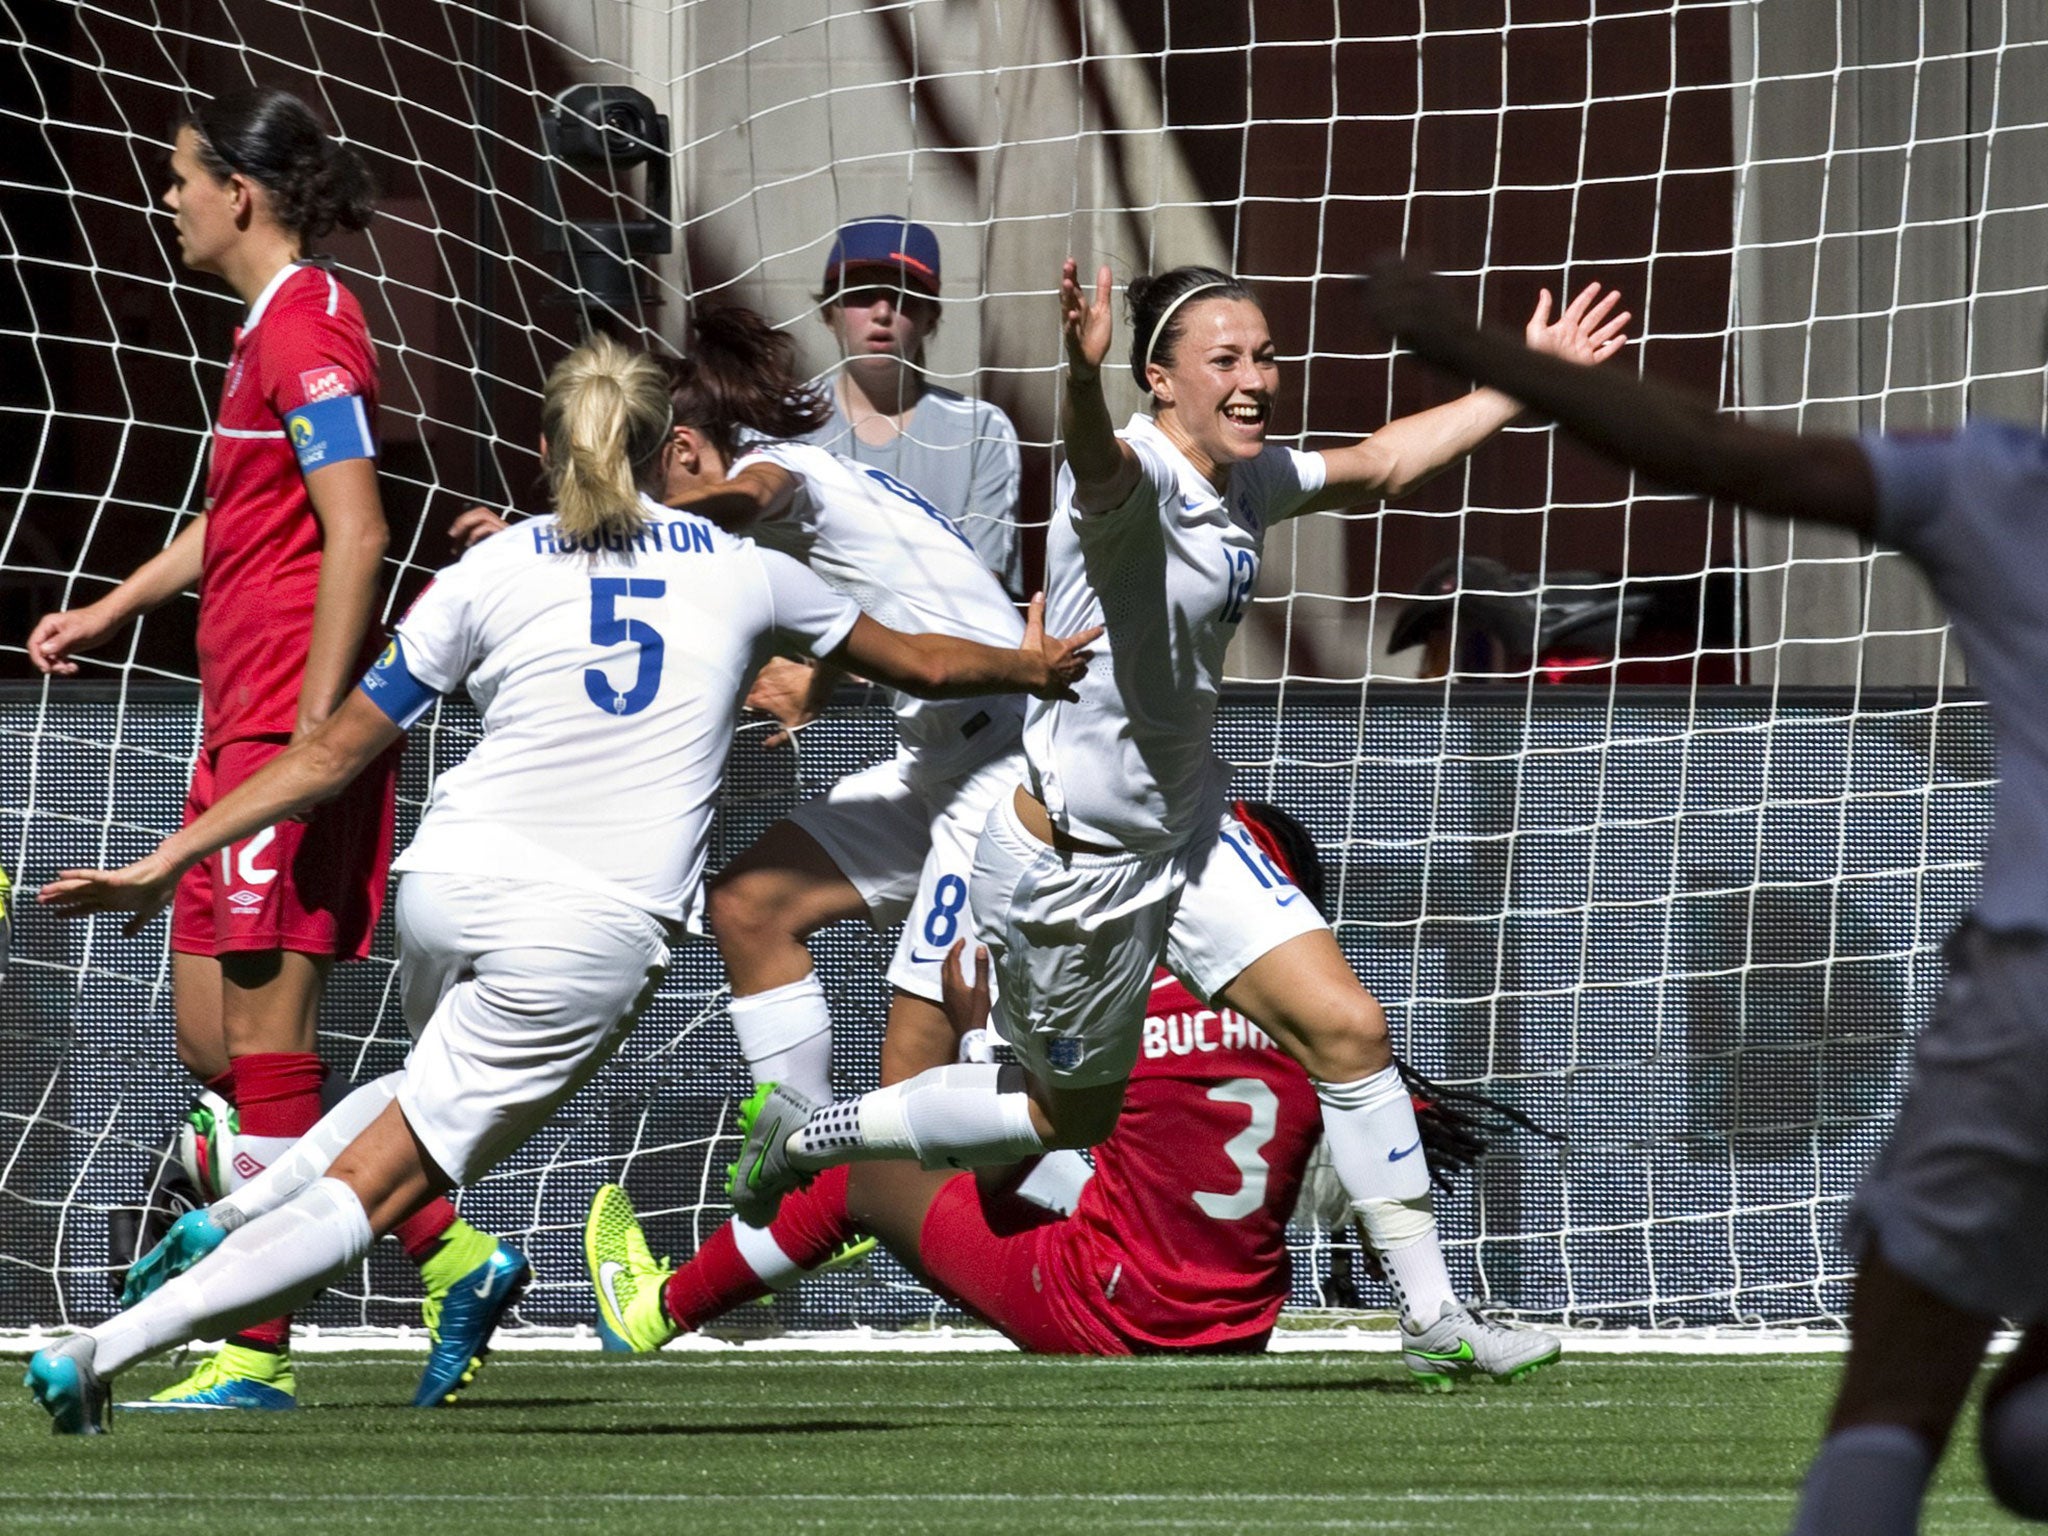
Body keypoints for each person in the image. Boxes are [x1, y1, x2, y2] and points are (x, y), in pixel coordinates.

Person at [22, 332, 1101, 1436]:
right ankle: (103, 1348)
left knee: (415, 1090)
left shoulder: (486, 567)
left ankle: (236, 1208)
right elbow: (923, 661)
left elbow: (328, 755)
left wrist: (165, 861)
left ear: (543, 446)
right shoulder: (744, 567)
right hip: (584, 931)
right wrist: (1032, 667)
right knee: (383, 1181)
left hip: (445, 884)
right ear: (660, 446)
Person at [719, 258, 1626, 1386]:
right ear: (1160, 380)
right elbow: (1093, 457)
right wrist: (1077, 371)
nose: (1257, 381)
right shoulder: (1129, 477)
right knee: (1057, 1118)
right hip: (1075, 862)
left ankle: (1435, 1317)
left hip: (1192, 835)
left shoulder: (1246, 481)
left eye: (1264, 357)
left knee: (1349, 1032)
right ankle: (805, 1139)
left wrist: (1522, 380)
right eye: (1226, 362)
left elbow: (1389, 461)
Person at [1362, 260, 2048, 1530]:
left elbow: (1726, 457)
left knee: (1899, 1378)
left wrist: (1487, 352)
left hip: (2026, 983)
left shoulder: (2007, 481)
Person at [23, 86, 518, 1412]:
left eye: (181, 176)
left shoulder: (307, 333)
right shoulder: (269, 332)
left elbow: (354, 528)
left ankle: (256, 1356)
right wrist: (116, 601)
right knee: (213, 1048)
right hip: (233, 717)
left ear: (239, 193)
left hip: (274, 729)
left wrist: (312, 728)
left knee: (261, 1044)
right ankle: (453, 1250)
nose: (166, 197)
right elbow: (241, 520)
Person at [587, 801, 1531, 1366]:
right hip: (1239, 1322)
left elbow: (1000, 1174)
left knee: (866, 1179)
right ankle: (1436, 1317)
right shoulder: (1326, 1031)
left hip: (1102, 1305)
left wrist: (972, 1033)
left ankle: (657, 1308)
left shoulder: (1119, 998)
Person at [799, 216, 1023, 595]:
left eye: (902, 294)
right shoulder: (783, 420)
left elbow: (983, 587)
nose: (882, 312)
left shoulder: (980, 431)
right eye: (862, 292)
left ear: (931, 317)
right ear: (828, 313)